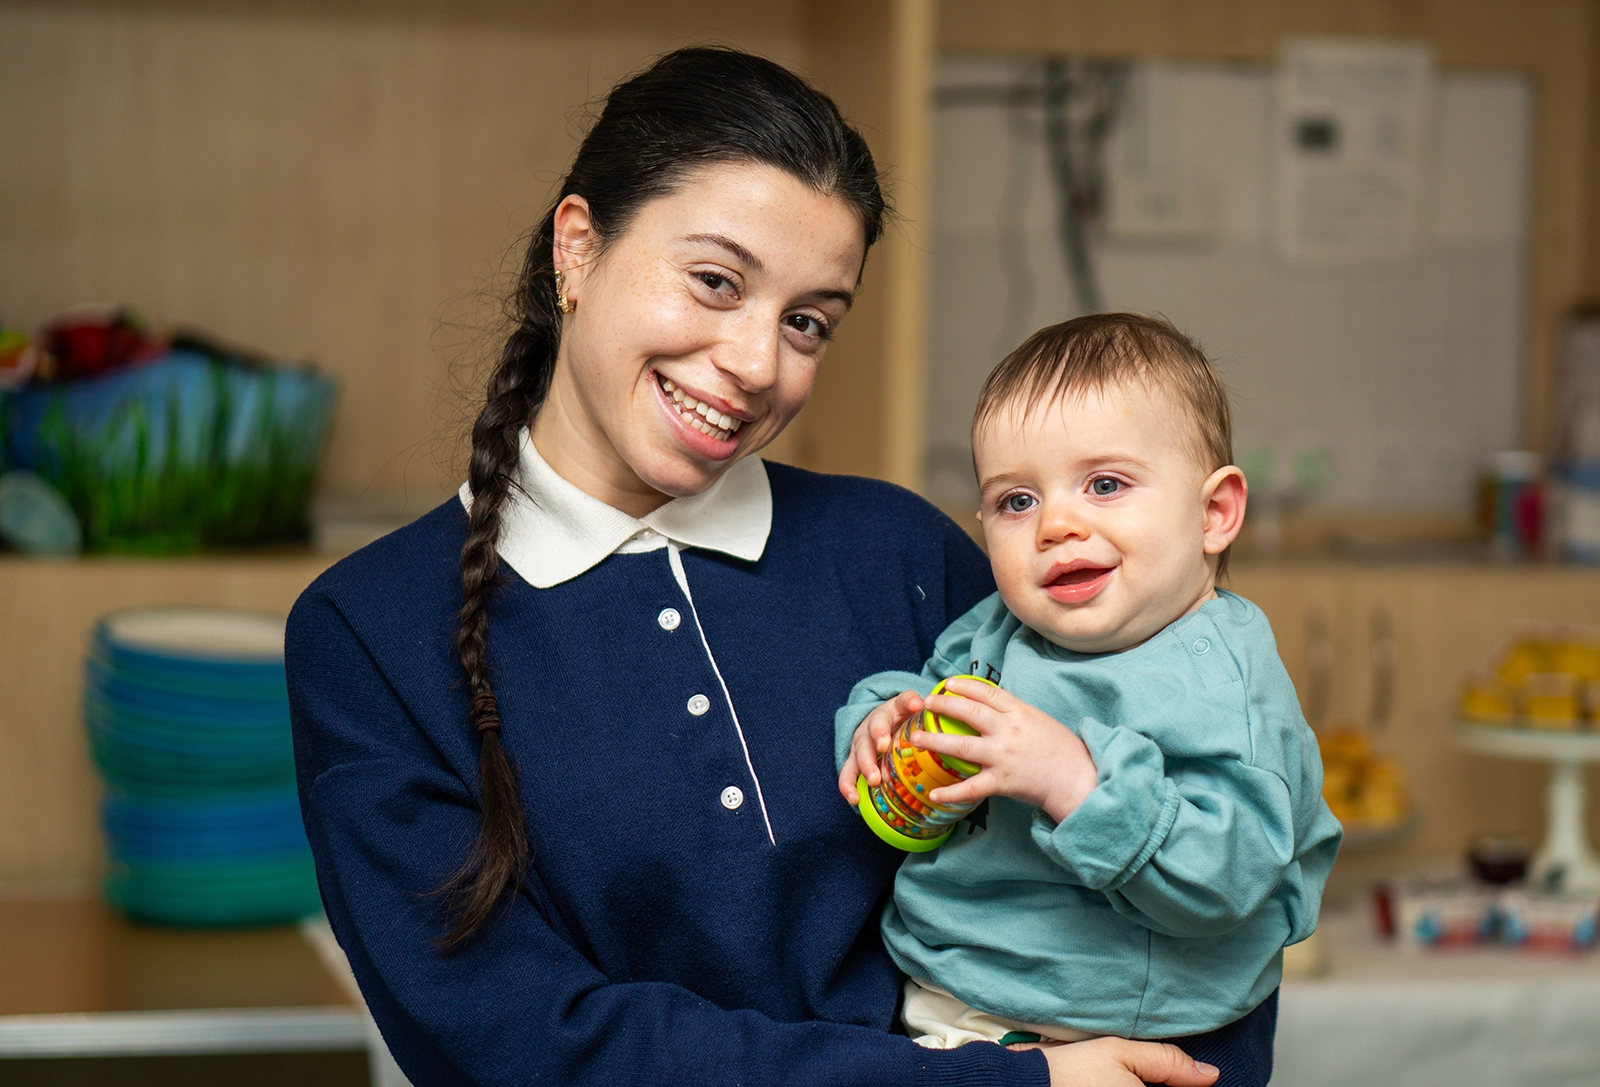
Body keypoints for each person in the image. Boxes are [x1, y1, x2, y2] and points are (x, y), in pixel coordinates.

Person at [287, 49, 1220, 1087]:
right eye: (715, 281)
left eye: (807, 320)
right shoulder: (367, 630)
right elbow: (514, 1044)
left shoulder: (902, 555)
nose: (756, 362)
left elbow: (1195, 823)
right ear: (579, 249)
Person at [837, 314, 1344, 1085]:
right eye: (1016, 501)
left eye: (1105, 484)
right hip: (942, 1012)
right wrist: (880, 719)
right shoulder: (995, 627)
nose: (1058, 525)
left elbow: (1229, 875)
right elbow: (926, 692)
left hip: (1120, 1031)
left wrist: (1074, 780)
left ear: (1214, 513)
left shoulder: (1223, 676)